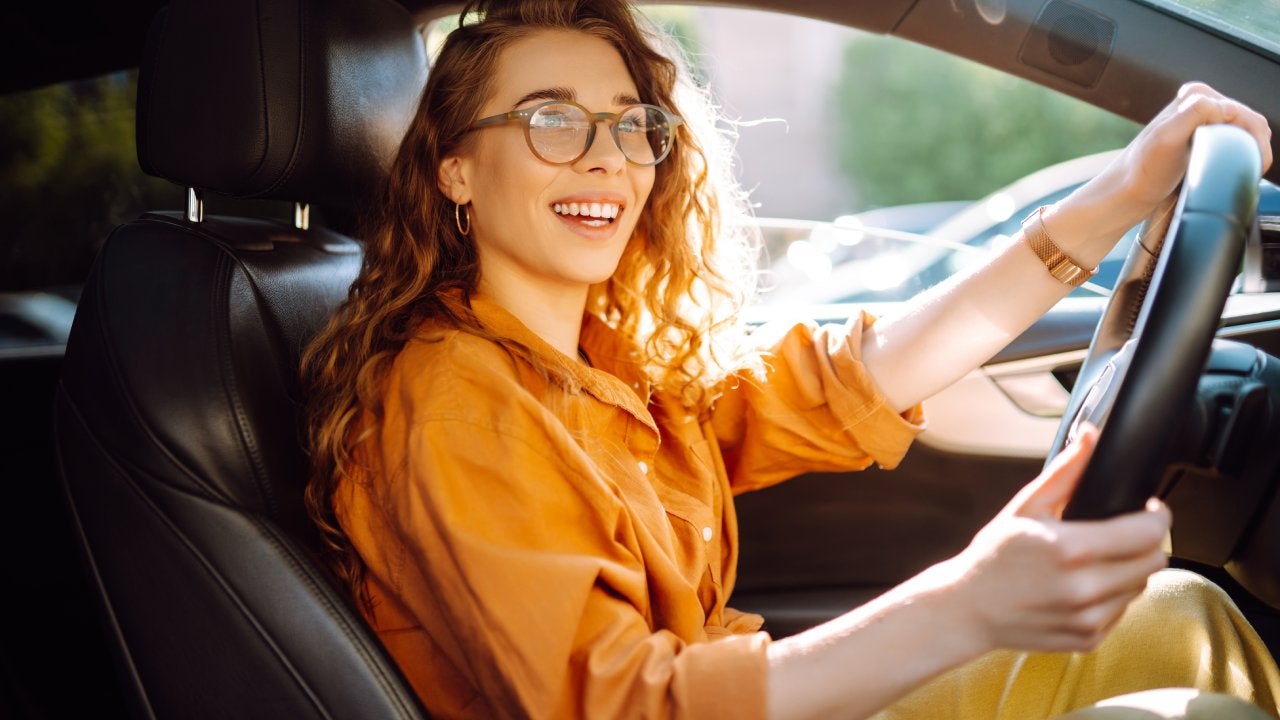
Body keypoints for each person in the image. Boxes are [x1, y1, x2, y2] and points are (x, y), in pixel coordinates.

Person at [299, 1, 1280, 717]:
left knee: (1183, 621)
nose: (606, 157)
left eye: (633, 125)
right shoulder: (451, 402)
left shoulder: (606, 367)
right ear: (454, 166)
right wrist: (968, 602)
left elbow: (854, 380)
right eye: (551, 119)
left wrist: (1117, 189)